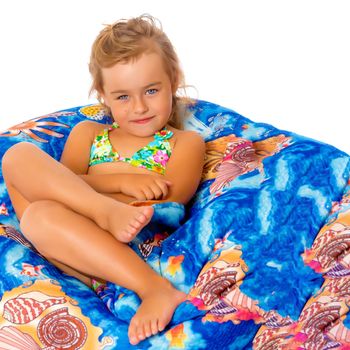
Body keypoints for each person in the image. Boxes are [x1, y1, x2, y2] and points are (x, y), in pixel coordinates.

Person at [1, 15, 205, 345]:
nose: (139, 107)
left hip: (128, 245)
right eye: (123, 96)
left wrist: (105, 189)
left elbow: (173, 199)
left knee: (42, 213)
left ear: (174, 81)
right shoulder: (88, 133)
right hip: (66, 241)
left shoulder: (184, 143)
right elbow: (60, 184)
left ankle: (154, 289)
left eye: (151, 90)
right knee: (17, 156)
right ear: (103, 95)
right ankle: (103, 211)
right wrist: (119, 183)